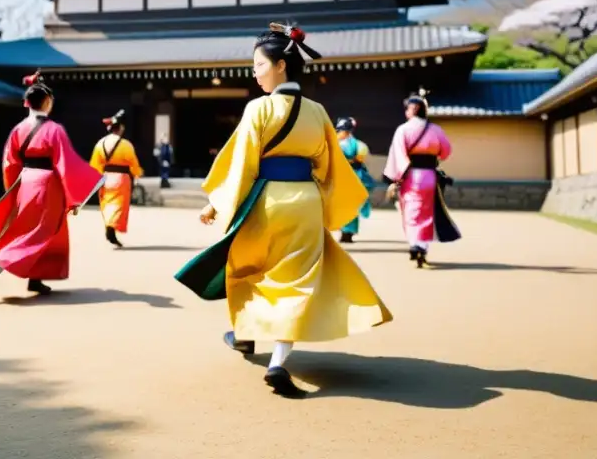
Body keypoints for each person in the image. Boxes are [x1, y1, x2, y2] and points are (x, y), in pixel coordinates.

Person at [175, 23, 392, 398]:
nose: (255, 71)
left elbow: (241, 164)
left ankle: (244, 334)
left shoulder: (258, 109)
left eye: (259, 64)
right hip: (304, 202)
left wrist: (216, 203)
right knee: (296, 282)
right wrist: (323, 201)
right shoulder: (318, 112)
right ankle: (277, 360)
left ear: (280, 66)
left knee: (247, 270)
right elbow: (328, 166)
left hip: (265, 204)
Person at [0, 71, 103, 295]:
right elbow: (66, 163)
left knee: (27, 228)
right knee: (44, 231)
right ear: (47, 102)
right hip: (47, 183)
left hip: (25, 182)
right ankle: (1, 262)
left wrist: (12, 189)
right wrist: (74, 196)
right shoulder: (54, 130)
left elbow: (9, 163)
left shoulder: (18, 129)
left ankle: (35, 278)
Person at [382, 89, 461, 268]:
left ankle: (414, 244)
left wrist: (396, 178)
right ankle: (422, 247)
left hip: (411, 176)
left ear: (412, 109)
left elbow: (398, 155)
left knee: (410, 210)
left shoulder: (403, 130)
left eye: (407, 109)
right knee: (426, 211)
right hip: (430, 175)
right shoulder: (436, 129)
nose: (406, 112)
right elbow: (446, 151)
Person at [90, 109, 144, 248]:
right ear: (120, 128)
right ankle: (111, 228)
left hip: (105, 178)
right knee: (118, 206)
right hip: (121, 178)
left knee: (107, 204)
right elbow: (133, 164)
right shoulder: (126, 145)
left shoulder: (100, 144)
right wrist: (138, 173)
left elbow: (95, 165)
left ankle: (109, 226)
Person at [335, 117, 375, 244]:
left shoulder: (335, 143)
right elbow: (364, 160)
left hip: (342, 177)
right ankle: (349, 232)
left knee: (342, 205)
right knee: (352, 206)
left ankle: (345, 231)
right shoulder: (360, 145)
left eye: (340, 130)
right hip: (357, 177)